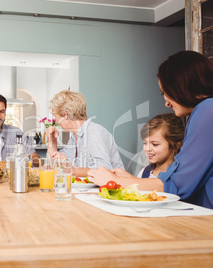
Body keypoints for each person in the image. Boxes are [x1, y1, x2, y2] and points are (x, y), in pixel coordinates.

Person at [89, 51, 213, 209]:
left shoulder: (207, 111)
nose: (166, 103)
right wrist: (134, 181)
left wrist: (114, 182)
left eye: (165, 92)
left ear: (181, 86)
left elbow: (177, 187)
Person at [46, 90, 124, 177]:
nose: (56, 121)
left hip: (113, 188)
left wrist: (74, 171)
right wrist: (52, 140)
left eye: (56, 117)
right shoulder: (74, 138)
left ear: (65, 115)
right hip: (89, 189)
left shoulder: (94, 131)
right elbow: (52, 164)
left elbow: (105, 169)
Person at [137, 113, 185, 178]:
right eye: (145, 143)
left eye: (155, 144)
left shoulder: (181, 176)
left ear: (176, 146)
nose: (147, 149)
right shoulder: (144, 173)